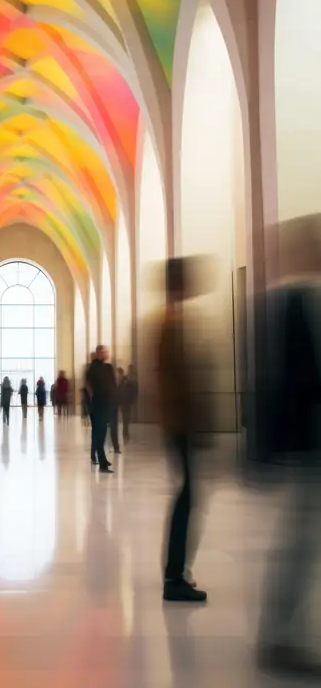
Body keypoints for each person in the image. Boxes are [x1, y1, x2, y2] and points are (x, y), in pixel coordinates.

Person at [255, 216, 321, 673]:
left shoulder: (293, 300)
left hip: (305, 441)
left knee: (299, 538)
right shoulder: (297, 302)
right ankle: (279, 636)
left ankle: (280, 633)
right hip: (309, 442)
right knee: (298, 538)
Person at [157, 258, 208, 603]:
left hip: (179, 423)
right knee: (187, 496)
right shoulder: (171, 324)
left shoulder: (173, 322)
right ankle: (174, 576)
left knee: (188, 495)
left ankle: (176, 573)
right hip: (180, 425)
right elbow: (176, 381)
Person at [87, 346, 116, 473]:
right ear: (99, 353)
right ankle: (102, 462)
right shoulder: (94, 368)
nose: (107, 353)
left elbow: (111, 384)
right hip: (99, 405)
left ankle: (102, 459)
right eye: (104, 352)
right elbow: (90, 386)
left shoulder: (107, 368)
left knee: (102, 433)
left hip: (106, 404)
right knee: (99, 434)